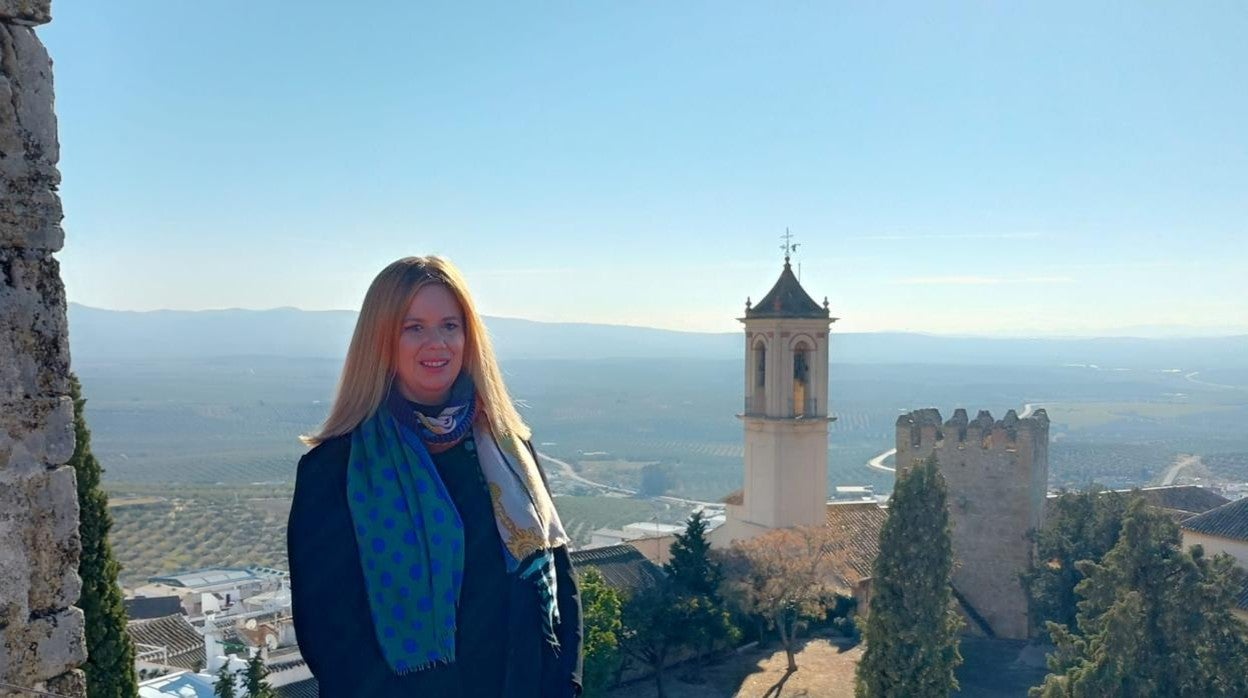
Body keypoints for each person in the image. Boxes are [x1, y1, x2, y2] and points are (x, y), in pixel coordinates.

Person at [287, 256, 582, 697]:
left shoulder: (508, 451)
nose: (437, 343)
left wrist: (566, 687)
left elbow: (561, 579)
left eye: (449, 325)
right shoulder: (336, 469)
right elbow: (329, 633)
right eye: (414, 327)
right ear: (380, 340)